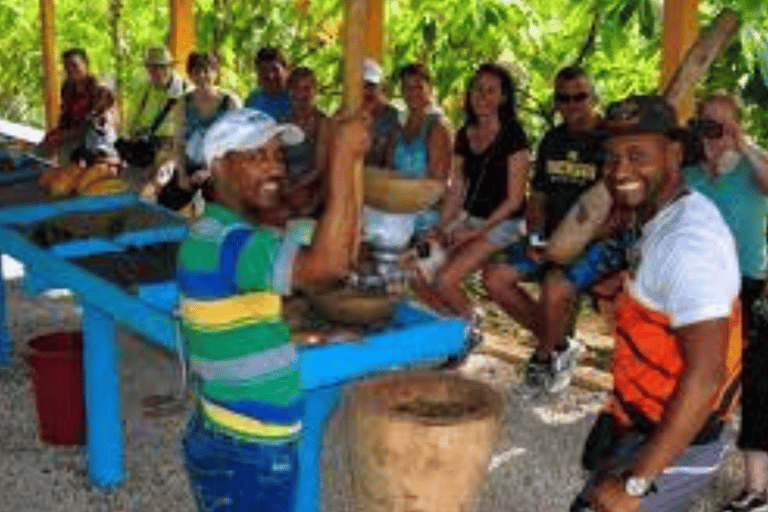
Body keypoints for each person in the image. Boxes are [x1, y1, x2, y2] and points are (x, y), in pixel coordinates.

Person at [177, 108, 367, 512]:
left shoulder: (230, 233)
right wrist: (342, 159)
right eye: (254, 156)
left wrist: (311, 339)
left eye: (277, 155)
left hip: (235, 437)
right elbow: (328, 267)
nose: (273, 167)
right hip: (246, 452)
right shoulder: (229, 243)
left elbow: (242, 327)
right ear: (217, 167)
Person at [568, 95, 742, 512]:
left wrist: (636, 483)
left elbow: (705, 376)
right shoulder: (663, 218)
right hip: (647, 420)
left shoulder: (688, 245)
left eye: (637, 155)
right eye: (611, 158)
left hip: (682, 443)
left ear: (676, 153)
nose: (620, 171)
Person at [481, 66, 614, 395]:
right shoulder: (553, 139)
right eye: (563, 98)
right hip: (550, 236)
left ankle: (544, 355)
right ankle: (559, 343)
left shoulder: (611, 140)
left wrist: (578, 242)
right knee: (495, 276)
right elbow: (538, 195)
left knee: (555, 286)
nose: (571, 104)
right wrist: (538, 234)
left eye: (579, 96)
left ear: (594, 96)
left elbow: (621, 210)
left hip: (597, 240)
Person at [682, 93, 768, 512]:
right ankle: (683, 460)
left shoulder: (753, 170)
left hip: (747, 288)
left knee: (754, 382)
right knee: (695, 374)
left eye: (722, 125)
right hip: (699, 290)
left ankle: (758, 488)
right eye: (707, 125)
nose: (713, 135)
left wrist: (743, 144)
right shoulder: (689, 176)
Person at [413, 63, 529, 318]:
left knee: (444, 279)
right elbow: (457, 189)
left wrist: (475, 232)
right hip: (470, 219)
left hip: (505, 223)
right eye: (477, 89)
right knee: (417, 269)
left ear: (503, 97)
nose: (482, 96)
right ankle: (455, 325)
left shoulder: (513, 134)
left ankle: (473, 324)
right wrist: (442, 228)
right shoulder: (465, 134)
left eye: (490, 90)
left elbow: (514, 199)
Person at [157, 52, 240, 210]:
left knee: (218, 204)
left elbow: (237, 148)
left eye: (207, 70)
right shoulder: (184, 101)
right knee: (165, 201)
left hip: (222, 167)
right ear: (189, 74)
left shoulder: (230, 102)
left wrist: (210, 171)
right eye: (196, 71)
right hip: (190, 164)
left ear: (215, 72)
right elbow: (179, 142)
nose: (202, 76)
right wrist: (182, 175)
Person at [42, 48, 118, 164]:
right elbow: (65, 116)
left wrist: (66, 135)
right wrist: (58, 134)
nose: (70, 70)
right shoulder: (67, 88)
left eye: (75, 65)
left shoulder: (99, 88)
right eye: (66, 67)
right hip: (73, 136)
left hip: (96, 140)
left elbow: (98, 123)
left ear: (86, 64)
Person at [119, 46, 189, 170]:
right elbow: (129, 125)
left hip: (174, 152)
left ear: (171, 67)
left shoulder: (186, 91)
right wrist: (134, 136)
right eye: (152, 68)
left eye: (162, 67)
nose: (157, 72)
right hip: (145, 150)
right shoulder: (143, 91)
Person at [281, 66, 331, 217]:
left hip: (314, 188)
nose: (301, 94)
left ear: (315, 90)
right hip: (288, 186)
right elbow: (279, 161)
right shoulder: (284, 122)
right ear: (289, 91)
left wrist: (292, 187)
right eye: (296, 88)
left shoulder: (323, 122)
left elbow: (319, 169)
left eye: (307, 88)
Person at [362, 58, 400, 168]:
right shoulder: (350, 114)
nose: (366, 92)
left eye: (371, 86)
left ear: (382, 88)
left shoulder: (394, 117)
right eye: (361, 86)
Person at [244, 47, 291, 120]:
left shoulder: (297, 97)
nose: (270, 76)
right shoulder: (252, 99)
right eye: (264, 70)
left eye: (275, 69)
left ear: (285, 69)